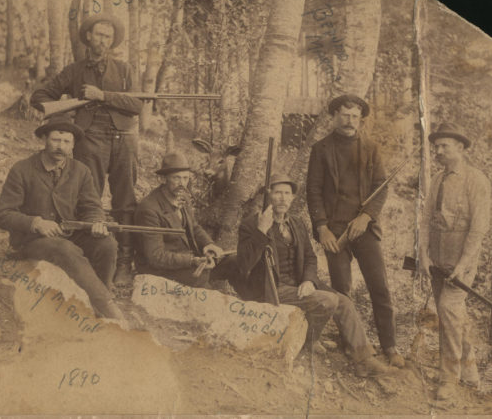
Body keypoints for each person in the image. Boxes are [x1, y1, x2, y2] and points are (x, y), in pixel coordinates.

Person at [237, 174, 391, 377]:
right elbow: (244, 264)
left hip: (299, 283)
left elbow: (310, 257)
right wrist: (261, 231)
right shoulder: (251, 224)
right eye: (277, 193)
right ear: (269, 196)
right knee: (327, 300)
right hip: (271, 287)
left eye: (287, 194)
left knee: (344, 302)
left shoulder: (297, 223)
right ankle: (309, 340)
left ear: (292, 198)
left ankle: (364, 359)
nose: (282, 198)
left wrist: (309, 280)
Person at [30, 13, 143, 284]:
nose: (103, 40)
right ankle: (88, 254)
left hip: (124, 139)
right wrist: (66, 118)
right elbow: (40, 98)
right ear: (88, 37)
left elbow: (138, 105)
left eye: (108, 36)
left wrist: (102, 96)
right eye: (98, 34)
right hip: (89, 139)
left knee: (125, 200)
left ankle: (125, 262)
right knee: (88, 197)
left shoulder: (126, 70)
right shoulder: (74, 71)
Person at [0, 114, 125, 320]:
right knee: (64, 248)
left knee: (107, 244)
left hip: (71, 235)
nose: (60, 146)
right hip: (32, 241)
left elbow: (91, 206)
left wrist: (96, 223)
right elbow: (2, 215)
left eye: (66, 142)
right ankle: (108, 308)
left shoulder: (81, 171)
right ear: (44, 139)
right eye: (55, 140)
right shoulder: (22, 170)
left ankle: (98, 299)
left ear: (72, 145)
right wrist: (36, 223)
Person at [306, 93, 404, 367]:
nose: (350, 121)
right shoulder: (321, 149)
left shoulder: (371, 147)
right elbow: (312, 192)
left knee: (380, 288)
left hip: (364, 229)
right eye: (345, 115)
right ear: (334, 116)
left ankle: (390, 346)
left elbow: (381, 188)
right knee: (342, 291)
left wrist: (367, 217)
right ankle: (352, 344)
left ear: (360, 119)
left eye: (355, 117)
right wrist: (322, 228)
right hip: (335, 233)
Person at [418, 122, 491, 400]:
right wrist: (424, 254)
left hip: (461, 264)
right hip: (436, 261)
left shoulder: (476, 180)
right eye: (436, 146)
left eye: (443, 146)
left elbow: (478, 229)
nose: (438, 151)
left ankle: (449, 378)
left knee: (449, 310)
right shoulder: (437, 179)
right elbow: (425, 221)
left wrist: (462, 266)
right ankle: (471, 372)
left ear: (460, 148)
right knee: (452, 317)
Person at [134, 152, 244, 291]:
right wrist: (192, 261)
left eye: (185, 178)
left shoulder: (181, 197)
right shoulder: (149, 209)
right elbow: (156, 257)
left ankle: (256, 304)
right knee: (202, 277)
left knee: (235, 261)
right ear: (163, 179)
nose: (182, 183)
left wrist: (209, 244)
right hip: (161, 269)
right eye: (177, 178)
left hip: (190, 261)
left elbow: (194, 227)